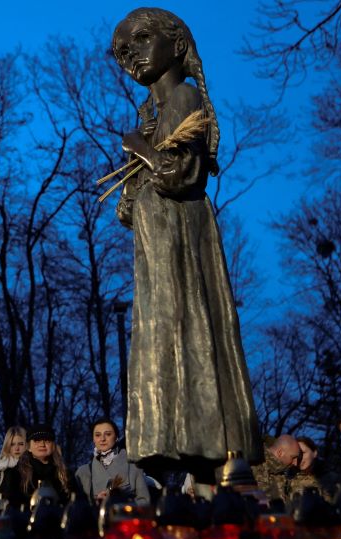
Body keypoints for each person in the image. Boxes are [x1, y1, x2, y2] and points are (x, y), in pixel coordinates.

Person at [111, 8, 259, 474]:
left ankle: (203, 437)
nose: (130, 54)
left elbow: (180, 174)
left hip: (183, 234)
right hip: (156, 247)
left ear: (176, 44)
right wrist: (133, 189)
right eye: (121, 52)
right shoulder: (152, 114)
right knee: (162, 329)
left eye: (139, 39)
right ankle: (170, 436)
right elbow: (130, 209)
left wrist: (141, 149)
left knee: (191, 323)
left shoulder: (185, 96)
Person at [74, 418, 150, 506]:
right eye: (97, 435)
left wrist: (121, 503)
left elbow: (145, 502)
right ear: (93, 439)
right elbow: (77, 508)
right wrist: (96, 502)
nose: (102, 439)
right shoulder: (83, 472)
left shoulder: (134, 467)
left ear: (116, 437)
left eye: (108, 434)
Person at [18, 425, 72, 505]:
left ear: (53, 446)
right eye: (37, 440)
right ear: (28, 447)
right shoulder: (17, 473)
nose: (42, 444)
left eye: (47, 441)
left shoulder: (66, 474)